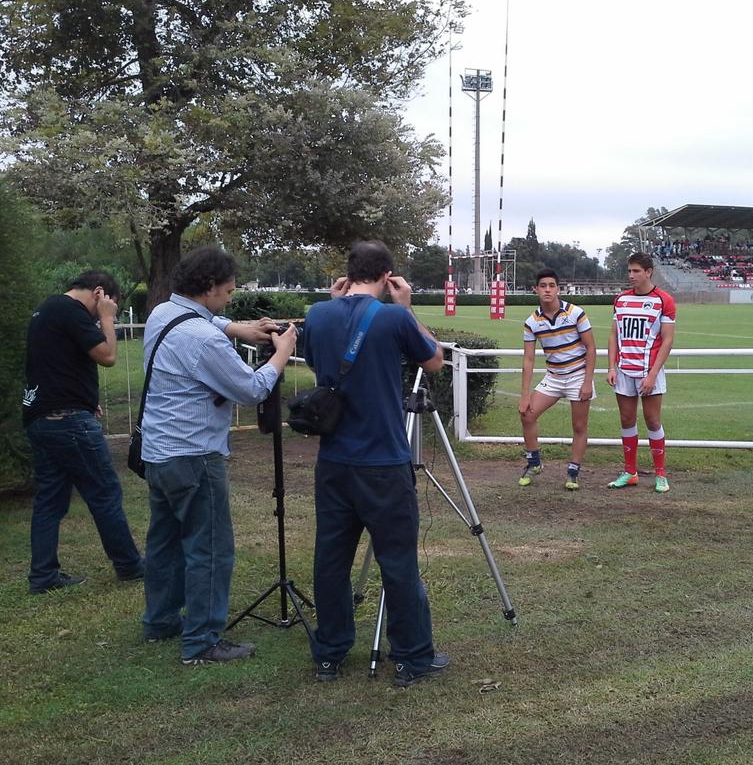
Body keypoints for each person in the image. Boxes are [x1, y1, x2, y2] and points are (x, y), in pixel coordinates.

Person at [140, 247, 297, 665]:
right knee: (209, 547)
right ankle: (202, 641)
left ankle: (160, 621)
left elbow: (206, 321)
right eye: (227, 291)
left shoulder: (161, 314)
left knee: (165, 542)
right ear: (208, 288)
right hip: (195, 457)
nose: (230, 297)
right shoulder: (205, 339)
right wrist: (282, 352)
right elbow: (250, 389)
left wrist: (240, 328)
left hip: (159, 452)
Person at [302, 240, 447, 686]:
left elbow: (316, 361)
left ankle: (329, 653)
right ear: (387, 276)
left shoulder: (317, 314)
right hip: (382, 460)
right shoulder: (393, 316)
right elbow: (434, 361)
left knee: (331, 559)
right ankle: (412, 657)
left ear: (347, 273)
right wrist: (407, 307)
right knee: (397, 560)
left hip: (334, 461)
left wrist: (332, 304)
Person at [22, 270, 145, 594]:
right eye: (109, 304)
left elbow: (56, 366)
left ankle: (43, 575)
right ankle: (130, 566)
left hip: (42, 417)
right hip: (67, 421)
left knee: (50, 500)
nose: (107, 313)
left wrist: (84, 399)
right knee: (104, 492)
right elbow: (107, 356)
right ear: (99, 293)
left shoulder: (48, 309)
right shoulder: (73, 312)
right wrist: (107, 318)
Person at [518, 268, 596, 490]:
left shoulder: (575, 313)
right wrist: (525, 395)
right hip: (553, 377)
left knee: (579, 425)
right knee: (527, 414)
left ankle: (573, 471)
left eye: (552, 286)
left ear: (558, 289)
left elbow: (591, 348)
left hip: (577, 375)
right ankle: (534, 463)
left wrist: (588, 381)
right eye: (543, 286)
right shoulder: (531, 321)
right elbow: (529, 360)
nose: (547, 290)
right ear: (535, 290)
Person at [606, 252, 676, 493]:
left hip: (649, 372)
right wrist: (611, 367)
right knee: (626, 420)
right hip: (624, 371)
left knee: (653, 421)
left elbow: (667, 341)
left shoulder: (663, 300)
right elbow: (614, 334)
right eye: (629, 271)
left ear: (648, 272)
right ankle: (630, 472)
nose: (631, 275)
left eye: (636, 271)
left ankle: (661, 474)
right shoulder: (621, 299)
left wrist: (653, 374)